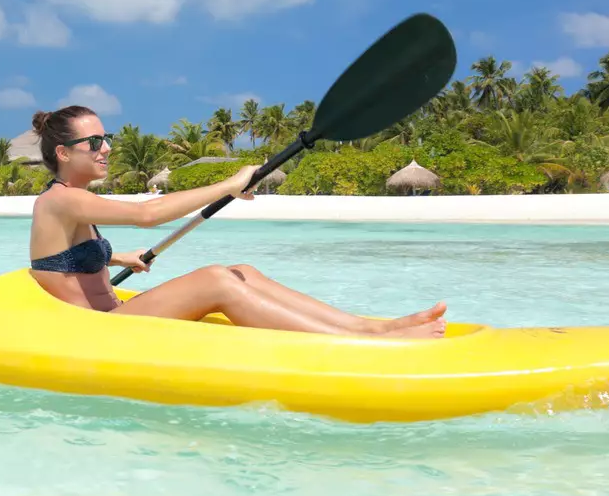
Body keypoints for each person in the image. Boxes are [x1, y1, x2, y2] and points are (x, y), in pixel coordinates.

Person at [26, 105, 445, 336]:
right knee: (215, 279)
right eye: (95, 142)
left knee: (240, 272)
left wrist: (117, 259)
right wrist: (229, 184)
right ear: (64, 153)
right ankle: (359, 343)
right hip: (98, 331)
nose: (107, 148)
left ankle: (368, 327)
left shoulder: (73, 201)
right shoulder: (61, 201)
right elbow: (147, 214)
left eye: (107, 139)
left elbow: (62, 260)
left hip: (115, 313)